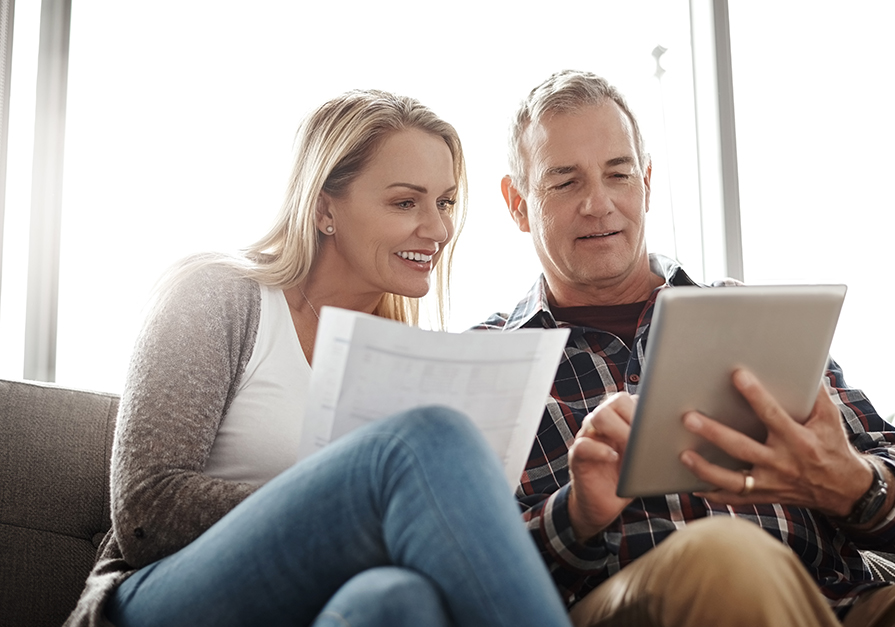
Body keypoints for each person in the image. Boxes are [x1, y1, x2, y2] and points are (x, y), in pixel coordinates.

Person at [65, 90, 573, 627]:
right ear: (324, 209)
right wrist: (347, 498)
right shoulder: (219, 296)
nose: (438, 229)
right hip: (156, 600)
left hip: (315, 608)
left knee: (399, 600)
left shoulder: (401, 354)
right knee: (426, 441)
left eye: (445, 203)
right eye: (406, 202)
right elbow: (146, 512)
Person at [476, 69, 895, 627]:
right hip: (639, 604)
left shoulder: (750, 317)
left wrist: (852, 483)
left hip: (840, 604)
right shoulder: (488, 362)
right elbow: (470, 572)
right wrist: (577, 513)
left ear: (645, 179)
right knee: (725, 557)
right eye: (565, 182)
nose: (599, 204)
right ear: (517, 202)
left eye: (619, 174)